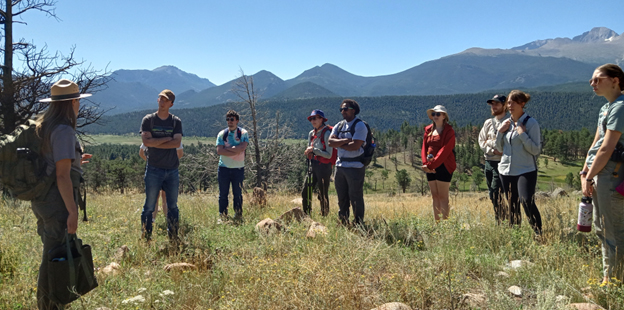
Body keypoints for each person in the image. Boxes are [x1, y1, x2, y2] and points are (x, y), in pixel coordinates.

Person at [34, 79, 93, 309]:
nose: (79, 105)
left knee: (52, 252)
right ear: (71, 103)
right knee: (53, 258)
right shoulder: (64, 130)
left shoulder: (47, 126)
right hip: (57, 202)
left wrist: (76, 160)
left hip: (44, 200)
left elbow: (56, 164)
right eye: (77, 100)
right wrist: (72, 211)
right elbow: (61, 176)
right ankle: (50, 304)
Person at [582, 63, 624, 284]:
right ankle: (608, 277)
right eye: (591, 80)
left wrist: (590, 176)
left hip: (611, 174)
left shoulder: (620, 106)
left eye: (597, 79)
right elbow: (596, 143)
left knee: (612, 229)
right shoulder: (606, 108)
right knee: (601, 226)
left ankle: (614, 281)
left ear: (615, 80)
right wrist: (585, 171)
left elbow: (607, 148)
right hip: (599, 172)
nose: (593, 83)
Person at [495, 90, 542, 235]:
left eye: (513, 102)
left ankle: (538, 233)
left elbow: (535, 150)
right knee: (512, 204)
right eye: (508, 102)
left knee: (526, 201)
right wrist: (500, 133)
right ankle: (515, 236)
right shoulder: (506, 123)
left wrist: (522, 134)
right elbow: (498, 148)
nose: (510, 105)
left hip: (525, 170)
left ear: (522, 104)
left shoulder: (531, 123)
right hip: (506, 170)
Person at [139, 89, 183, 242]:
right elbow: (146, 142)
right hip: (153, 168)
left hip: (172, 170)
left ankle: (173, 236)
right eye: (160, 98)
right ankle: (146, 237)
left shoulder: (176, 121)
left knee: (172, 206)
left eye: (166, 100)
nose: (162, 101)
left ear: (171, 104)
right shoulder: (148, 120)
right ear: (158, 100)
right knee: (149, 206)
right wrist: (167, 139)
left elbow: (177, 142)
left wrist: (156, 142)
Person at [328, 99, 368, 226]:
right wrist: (346, 141)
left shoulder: (360, 125)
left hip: (355, 166)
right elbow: (330, 142)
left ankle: (358, 223)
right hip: (340, 166)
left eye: (345, 109)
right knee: (342, 197)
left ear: (353, 110)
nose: (343, 111)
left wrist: (339, 143)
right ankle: (343, 221)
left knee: (355, 196)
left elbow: (355, 146)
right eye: (341, 109)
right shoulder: (339, 125)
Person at [478, 95, 510, 224]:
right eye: (492, 104)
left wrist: (490, 142)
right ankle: (503, 218)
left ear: (504, 105)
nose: (493, 106)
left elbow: (506, 144)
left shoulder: (509, 122)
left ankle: (502, 219)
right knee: (492, 193)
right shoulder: (488, 123)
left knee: (496, 192)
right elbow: (481, 141)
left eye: (496, 104)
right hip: (488, 162)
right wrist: (493, 149)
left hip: (502, 163)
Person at [421, 105, 456, 221]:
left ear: (444, 116)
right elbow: (424, 147)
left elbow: (445, 150)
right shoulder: (428, 130)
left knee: (443, 197)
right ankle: (437, 223)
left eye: (438, 114)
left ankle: (445, 225)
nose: (435, 116)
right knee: (435, 196)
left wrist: (432, 165)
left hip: (444, 166)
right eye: (434, 114)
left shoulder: (449, 131)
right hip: (430, 167)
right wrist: (425, 164)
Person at [216, 110, 249, 221]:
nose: (229, 122)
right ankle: (222, 215)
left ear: (237, 120)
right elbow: (219, 151)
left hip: (238, 168)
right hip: (223, 168)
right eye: (228, 119)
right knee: (223, 194)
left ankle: (238, 214)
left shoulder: (243, 133)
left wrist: (227, 149)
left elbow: (242, 148)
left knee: (237, 193)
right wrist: (235, 150)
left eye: (232, 119)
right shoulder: (222, 134)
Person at [302, 109, 335, 216]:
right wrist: (309, 152)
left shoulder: (327, 133)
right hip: (313, 165)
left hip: (324, 167)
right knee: (305, 191)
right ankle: (306, 214)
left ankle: (324, 215)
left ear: (322, 119)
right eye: (311, 119)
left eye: (315, 118)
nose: (312, 121)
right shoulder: (311, 133)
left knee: (323, 193)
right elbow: (310, 147)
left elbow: (329, 154)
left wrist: (314, 151)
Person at [139, 142, 183, 222]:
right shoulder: (173, 137)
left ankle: (162, 220)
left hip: (160, 170)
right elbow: (180, 153)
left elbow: (142, 153)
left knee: (162, 197)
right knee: (158, 197)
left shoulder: (154, 136)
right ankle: (155, 220)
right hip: (164, 170)